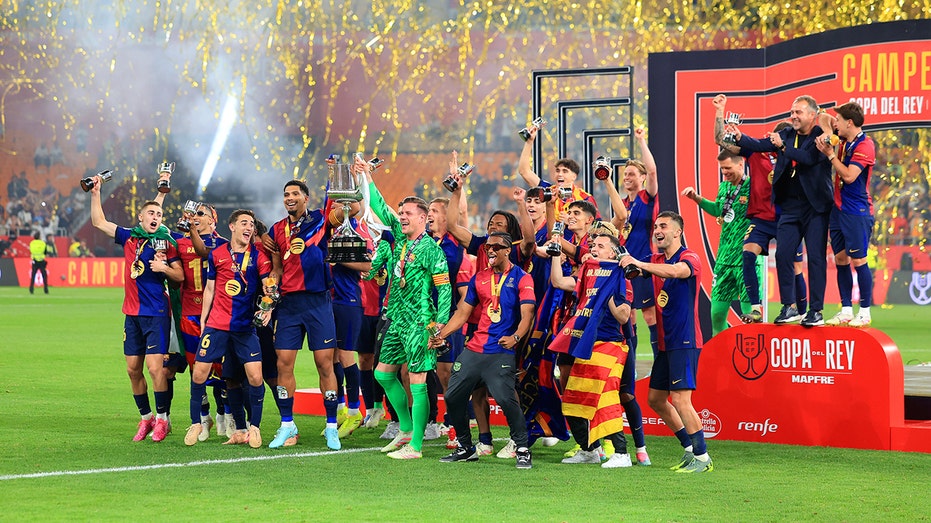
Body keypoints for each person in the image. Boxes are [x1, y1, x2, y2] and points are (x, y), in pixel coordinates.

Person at [365, 160, 452, 460]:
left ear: (424, 218)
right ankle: (404, 428)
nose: (401, 217)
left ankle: (416, 444)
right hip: (396, 319)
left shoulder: (432, 250)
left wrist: (439, 325)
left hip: (419, 322)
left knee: (417, 380)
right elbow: (380, 206)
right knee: (383, 374)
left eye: (408, 214)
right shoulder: (401, 241)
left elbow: (444, 290)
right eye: (401, 213)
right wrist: (366, 176)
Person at [88, 174, 183, 442]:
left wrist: (164, 268)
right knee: (132, 369)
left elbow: (179, 275)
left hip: (156, 314)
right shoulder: (130, 237)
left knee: (155, 369)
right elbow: (98, 222)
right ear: (140, 217)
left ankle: (162, 419)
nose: (156, 217)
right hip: (131, 315)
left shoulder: (166, 241)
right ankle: (146, 418)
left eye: (159, 214)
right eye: (151, 213)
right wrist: (96, 193)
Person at [431, 231, 535, 469]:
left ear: (507, 250)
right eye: (488, 247)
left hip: (501, 349)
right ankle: (466, 447)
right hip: (476, 347)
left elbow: (527, 314)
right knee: (452, 396)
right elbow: (462, 313)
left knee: (506, 398)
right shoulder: (479, 278)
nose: (490, 251)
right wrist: (442, 334)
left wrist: (516, 337)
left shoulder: (522, 278)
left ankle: (522, 448)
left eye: (496, 247)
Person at [620, 211, 712, 473]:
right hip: (664, 343)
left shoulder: (689, 257)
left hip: (685, 339)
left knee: (681, 400)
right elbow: (636, 268)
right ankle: (689, 448)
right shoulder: (656, 259)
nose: (658, 231)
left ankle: (703, 458)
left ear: (677, 232)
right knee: (656, 399)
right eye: (656, 227)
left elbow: (675, 272)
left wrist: (640, 263)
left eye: (664, 226)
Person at [736, 95, 833, 327]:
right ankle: (789, 306)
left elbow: (808, 158)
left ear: (812, 115)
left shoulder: (821, 137)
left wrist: (782, 146)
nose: (793, 116)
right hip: (790, 207)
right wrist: (740, 137)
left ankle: (816, 311)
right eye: (792, 112)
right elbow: (760, 144)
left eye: (798, 112)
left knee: (816, 258)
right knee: (782, 255)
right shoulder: (787, 134)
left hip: (815, 208)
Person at [264, 180, 346, 450]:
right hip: (288, 305)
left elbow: (349, 211)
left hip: (318, 302)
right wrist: (271, 284)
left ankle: (331, 426)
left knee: (325, 363)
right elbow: (277, 268)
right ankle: (287, 424)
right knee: (283, 364)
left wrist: (339, 180)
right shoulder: (277, 229)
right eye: (286, 194)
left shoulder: (321, 219)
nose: (289, 198)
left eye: (295, 194)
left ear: (306, 198)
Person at [714, 94, 808, 324]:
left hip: (788, 218)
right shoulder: (757, 152)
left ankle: (803, 312)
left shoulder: (796, 157)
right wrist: (719, 111)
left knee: (794, 265)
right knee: (747, 254)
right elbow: (720, 140)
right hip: (762, 219)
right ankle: (756, 308)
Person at [184, 209, 272, 448]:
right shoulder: (218, 254)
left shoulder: (259, 257)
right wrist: (204, 319)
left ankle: (255, 428)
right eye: (244, 223)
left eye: (251, 224)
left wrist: (268, 307)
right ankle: (196, 423)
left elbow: (268, 286)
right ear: (232, 227)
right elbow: (210, 288)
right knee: (199, 373)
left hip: (244, 327)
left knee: (255, 376)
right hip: (217, 325)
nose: (249, 227)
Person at [550, 231, 635, 469]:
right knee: (573, 399)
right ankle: (589, 450)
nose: (594, 249)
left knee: (606, 399)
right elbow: (558, 282)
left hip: (609, 345)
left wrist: (606, 293)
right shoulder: (588, 274)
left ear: (613, 253)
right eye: (593, 245)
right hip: (586, 345)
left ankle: (622, 453)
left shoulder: (621, 277)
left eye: (600, 246)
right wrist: (556, 253)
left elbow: (623, 316)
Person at [816, 102, 876, 327]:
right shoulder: (842, 139)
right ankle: (846, 310)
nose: (837, 124)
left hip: (857, 211)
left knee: (859, 260)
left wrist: (831, 155)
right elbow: (823, 118)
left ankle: (865, 311)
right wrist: (830, 131)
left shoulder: (865, 145)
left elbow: (849, 176)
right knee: (841, 259)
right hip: (838, 209)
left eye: (840, 121)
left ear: (849, 123)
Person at [680, 149, 752, 335]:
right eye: (722, 169)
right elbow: (719, 210)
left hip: (746, 259)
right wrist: (696, 198)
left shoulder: (753, 186)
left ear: (740, 164)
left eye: (728, 168)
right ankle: (723, 352)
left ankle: (753, 352)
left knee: (750, 317)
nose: (724, 172)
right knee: (717, 315)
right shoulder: (724, 187)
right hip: (724, 259)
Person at [620, 129, 660, 357]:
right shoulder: (622, 203)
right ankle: (631, 367)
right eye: (625, 174)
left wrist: (642, 140)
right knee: (629, 316)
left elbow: (653, 170)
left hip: (644, 262)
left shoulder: (648, 197)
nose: (627, 177)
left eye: (632, 174)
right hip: (624, 265)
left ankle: (659, 366)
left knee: (649, 315)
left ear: (642, 177)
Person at [516, 125, 599, 217]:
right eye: (557, 171)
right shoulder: (547, 191)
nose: (560, 174)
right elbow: (524, 171)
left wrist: (571, 219)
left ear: (574, 176)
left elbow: (595, 223)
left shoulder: (585, 198)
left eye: (565, 171)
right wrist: (529, 142)